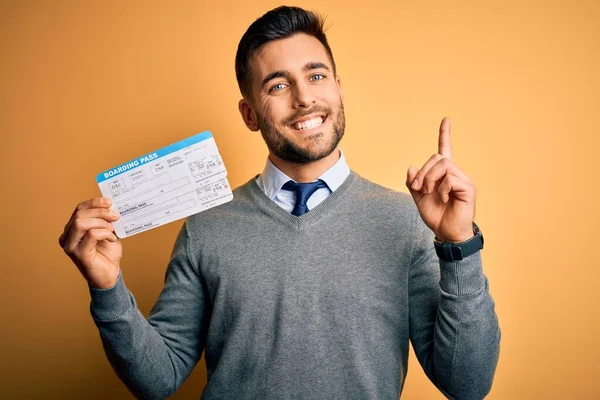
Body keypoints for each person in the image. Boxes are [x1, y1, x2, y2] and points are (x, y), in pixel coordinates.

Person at [59, 6, 500, 400]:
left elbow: (467, 385)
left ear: (339, 89)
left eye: (316, 75)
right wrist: (107, 289)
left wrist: (459, 245)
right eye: (277, 85)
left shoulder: (406, 223)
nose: (304, 97)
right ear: (249, 113)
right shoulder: (206, 228)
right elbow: (158, 380)